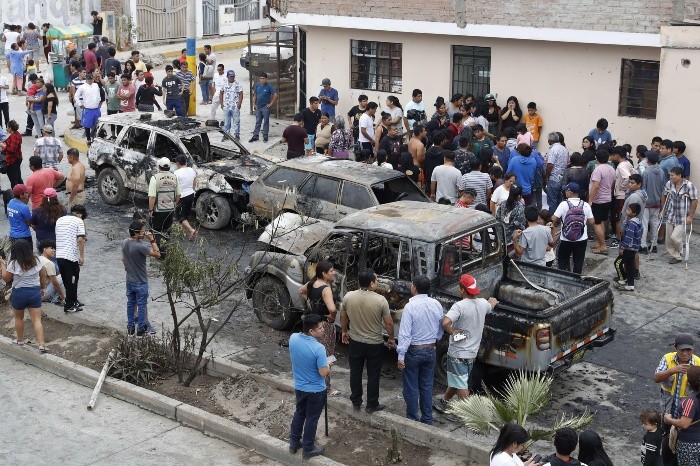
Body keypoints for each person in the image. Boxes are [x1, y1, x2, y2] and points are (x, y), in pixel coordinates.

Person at [433, 274, 498, 413]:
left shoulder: (459, 306)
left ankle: (471, 414)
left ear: (462, 290)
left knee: (461, 384)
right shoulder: (482, 304)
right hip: (471, 353)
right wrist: (492, 301)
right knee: (457, 380)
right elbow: (491, 305)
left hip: (458, 353)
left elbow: (445, 322)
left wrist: (453, 332)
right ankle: (444, 401)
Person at [340, 268, 394, 413]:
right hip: (374, 344)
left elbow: (343, 316)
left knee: (355, 372)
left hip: (355, 342)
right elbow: (389, 322)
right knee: (373, 374)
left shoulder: (348, 296)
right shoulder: (380, 300)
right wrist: (391, 338)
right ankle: (372, 404)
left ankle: (356, 401)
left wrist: (344, 331)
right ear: (371, 283)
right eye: (376, 280)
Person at [396, 275, 444, 425]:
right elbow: (441, 327)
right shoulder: (436, 304)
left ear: (414, 288)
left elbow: (404, 334)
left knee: (411, 387)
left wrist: (401, 356)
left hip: (414, 351)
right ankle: (427, 419)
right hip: (431, 349)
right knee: (427, 386)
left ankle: (412, 418)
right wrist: (434, 340)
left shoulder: (410, 307)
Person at [288, 314, 330, 460]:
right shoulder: (319, 348)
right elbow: (323, 372)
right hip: (315, 390)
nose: (323, 329)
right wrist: (328, 365)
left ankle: (294, 443)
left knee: (299, 413)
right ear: (311, 331)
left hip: (299, 386)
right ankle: (308, 448)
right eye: (320, 328)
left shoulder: (293, 338)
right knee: (312, 419)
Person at [654, 333, 700, 466]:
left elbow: (684, 424)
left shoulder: (698, 362)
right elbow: (656, 378)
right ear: (675, 348)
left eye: (688, 350)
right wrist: (672, 370)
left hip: (687, 418)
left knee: (684, 449)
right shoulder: (668, 358)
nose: (685, 353)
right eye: (682, 350)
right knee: (667, 448)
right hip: (669, 413)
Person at [0, 239, 49, 352]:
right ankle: (41, 344)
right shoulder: (37, 261)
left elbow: (6, 278)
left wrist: (2, 264)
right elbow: (43, 274)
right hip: (34, 292)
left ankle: (20, 340)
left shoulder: (14, 264)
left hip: (19, 293)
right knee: (37, 320)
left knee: (19, 317)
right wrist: (42, 287)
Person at [299, 260, 339, 395]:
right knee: (326, 356)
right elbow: (332, 309)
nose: (334, 273)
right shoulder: (325, 289)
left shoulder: (312, 283)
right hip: (324, 325)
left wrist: (311, 303)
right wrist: (332, 316)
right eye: (331, 271)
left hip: (312, 323)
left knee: (312, 354)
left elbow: (301, 291)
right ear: (323, 273)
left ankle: (314, 382)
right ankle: (327, 387)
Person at [122, 220, 161, 336]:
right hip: (141, 281)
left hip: (129, 280)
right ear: (136, 233)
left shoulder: (125, 242)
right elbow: (158, 254)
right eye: (143, 231)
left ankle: (130, 328)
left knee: (130, 304)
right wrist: (152, 240)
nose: (144, 233)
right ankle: (140, 329)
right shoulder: (140, 246)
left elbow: (123, 259)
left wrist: (129, 269)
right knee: (142, 306)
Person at [551, 182, 595, 274]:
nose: (565, 193)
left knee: (563, 260)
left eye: (566, 191)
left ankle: (563, 278)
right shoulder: (585, 205)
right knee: (578, 262)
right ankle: (576, 279)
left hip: (565, 239)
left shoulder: (563, 204)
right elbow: (592, 222)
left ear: (570, 192)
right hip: (582, 238)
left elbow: (553, 219)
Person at [664, 365, 700, 466]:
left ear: (688, 382)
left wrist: (668, 419)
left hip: (690, 444)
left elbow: (684, 424)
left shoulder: (691, 402)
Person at [661, 167, 698, 264]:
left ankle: (679, 251)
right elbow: (664, 195)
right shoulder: (669, 184)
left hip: (683, 217)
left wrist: (690, 216)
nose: (670, 177)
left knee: (675, 238)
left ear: (679, 176)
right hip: (671, 215)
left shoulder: (689, 185)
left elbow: (694, 200)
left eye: (672, 175)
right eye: (670, 175)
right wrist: (663, 210)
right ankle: (676, 256)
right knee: (668, 240)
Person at [56, 204, 87, 313]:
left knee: (67, 280)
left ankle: (74, 300)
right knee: (72, 281)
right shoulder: (78, 221)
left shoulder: (59, 220)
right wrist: (81, 256)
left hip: (59, 255)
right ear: (80, 214)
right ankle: (69, 305)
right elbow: (80, 240)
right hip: (70, 256)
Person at [148, 157, 180, 253]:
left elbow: (152, 196)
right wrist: (174, 205)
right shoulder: (174, 177)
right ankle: (166, 250)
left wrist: (150, 210)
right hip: (170, 210)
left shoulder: (155, 178)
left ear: (159, 167)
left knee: (155, 230)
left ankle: (160, 252)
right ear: (169, 167)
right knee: (167, 230)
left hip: (158, 210)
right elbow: (178, 194)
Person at [588, 150, 616, 255]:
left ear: (597, 158)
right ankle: (600, 243)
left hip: (598, 200)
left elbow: (595, 185)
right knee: (601, 222)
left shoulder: (598, 169)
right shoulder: (611, 168)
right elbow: (612, 183)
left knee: (596, 223)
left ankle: (603, 246)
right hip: (607, 198)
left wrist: (590, 200)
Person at [613, 203, 643, 291]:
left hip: (629, 248)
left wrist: (623, 247)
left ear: (634, 213)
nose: (626, 211)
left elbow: (629, 237)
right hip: (634, 248)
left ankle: (622, 279)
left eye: (629, 210)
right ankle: (630, 285)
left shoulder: (632, 223)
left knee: (617, 263)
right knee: (630, 266)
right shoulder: (638, 221)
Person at [642, 152, 665, 253]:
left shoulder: (646, 172)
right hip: (657, 202)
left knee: (644, 224)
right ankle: (654, 245)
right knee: (655, 224)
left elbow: (643, 188)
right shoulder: (661, 171)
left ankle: (643, 246)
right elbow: (663, 188)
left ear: (648, 160)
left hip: (647, 203)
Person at [172, 155, 197, 241]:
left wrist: (175, 201)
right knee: (185, 215)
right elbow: (194, 183)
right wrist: (191, 191)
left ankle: (191, 230)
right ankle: (185, 233)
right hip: (191, 194)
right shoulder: (192, 170)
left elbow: (175, 188)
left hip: (182, 196)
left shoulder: (176, 173)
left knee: (180, 216)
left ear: (178, 163)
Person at [545, 132, 569, 214]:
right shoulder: (564, 149)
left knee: (552, 201)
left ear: (549, 140)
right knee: (559, 200)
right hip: (562, 178)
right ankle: (558, 218)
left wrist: (547, 177)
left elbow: (550, 165)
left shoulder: (553, 149)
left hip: (553, 178)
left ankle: (552, 218)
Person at [250, 72, 277, 143]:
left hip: (265, 108)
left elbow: (275, 95)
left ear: (266, 79)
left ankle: (265, 136)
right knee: (258, 122)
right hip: (258, 107)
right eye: (260, 78)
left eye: (263, 78)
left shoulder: (269, 86)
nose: (262, 80)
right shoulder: (257, 85)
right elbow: (255, 94)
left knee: (266, 122)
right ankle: (255, 136)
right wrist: (254, 104)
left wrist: (270, 104)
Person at [38, 239, 65, 305]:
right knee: (63, 276)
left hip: (34, 294)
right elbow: (55, 282)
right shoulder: (48, 263)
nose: (54, 250)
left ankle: (53, 297)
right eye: (52, 248)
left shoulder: (37, 258)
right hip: (41, 295)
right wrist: (62, 295)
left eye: (54, 248)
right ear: (45, 249)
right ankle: (57, 299)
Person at [220, 70, 243, 139]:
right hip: (227, 106)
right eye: (231, 76)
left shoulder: (237, 84)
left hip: (235, 106)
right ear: (227, 77)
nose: (232, 78)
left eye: (233, 76)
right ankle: (226, 135)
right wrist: (221, 103)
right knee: (227, 122)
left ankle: (237, 135)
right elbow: (221, 93)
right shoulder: (224, 84)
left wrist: (239, 103)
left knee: (236, 121)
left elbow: (241, 94)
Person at [1, 120, 24, 186]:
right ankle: (22, 190)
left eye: (7, 127)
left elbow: (12, 149)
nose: (6, 128)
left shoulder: (14, 137)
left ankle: (17, 191)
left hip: (13, 160)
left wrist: (3, 146)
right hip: (17, 158)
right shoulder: (17, 134)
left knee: (14, 180)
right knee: (18, 178)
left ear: (10, 128)